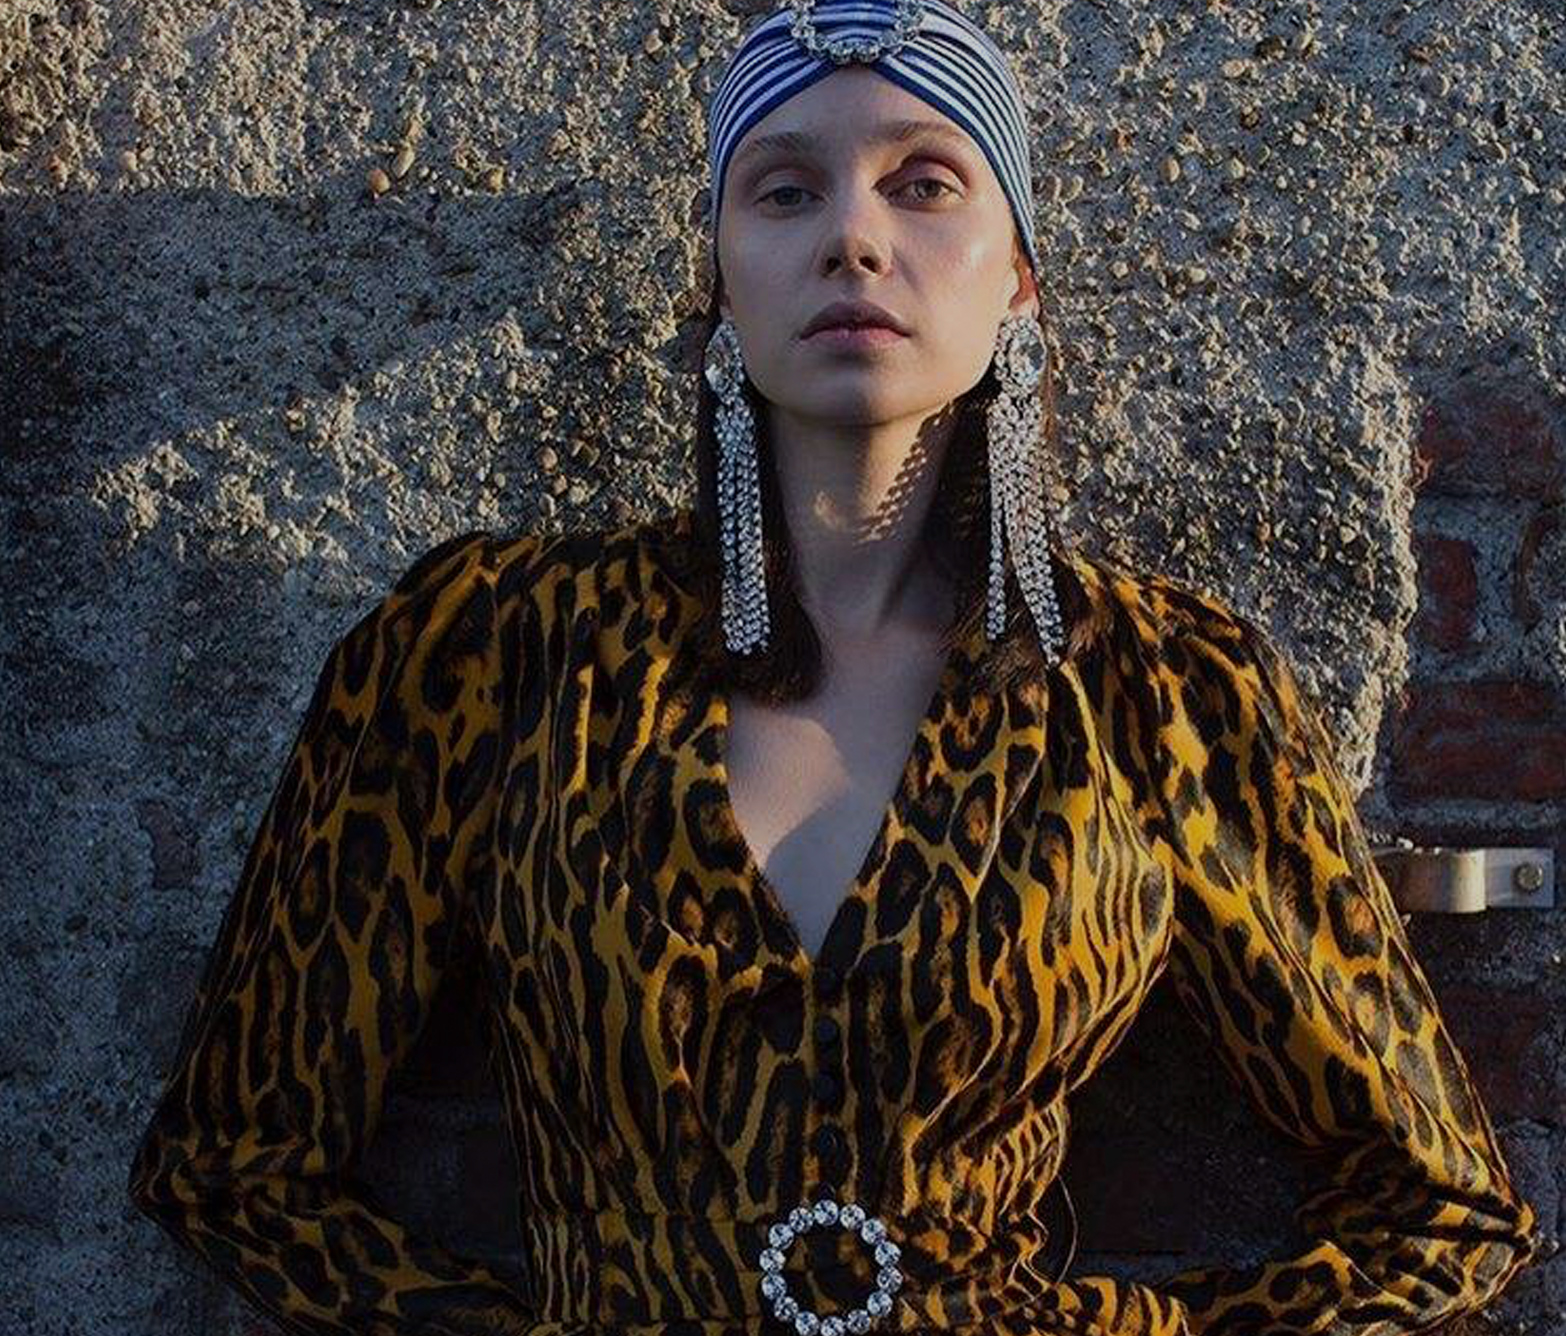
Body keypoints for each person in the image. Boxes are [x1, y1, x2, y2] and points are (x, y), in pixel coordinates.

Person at [126, 3, 1543, 1334]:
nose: (853, 238)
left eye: (923, 185)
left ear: (1017, 278)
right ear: (720, 280)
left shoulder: (1161, 690)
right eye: (786, 191)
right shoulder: (494, 646)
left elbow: (1439, 1208)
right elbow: (234, 1167)